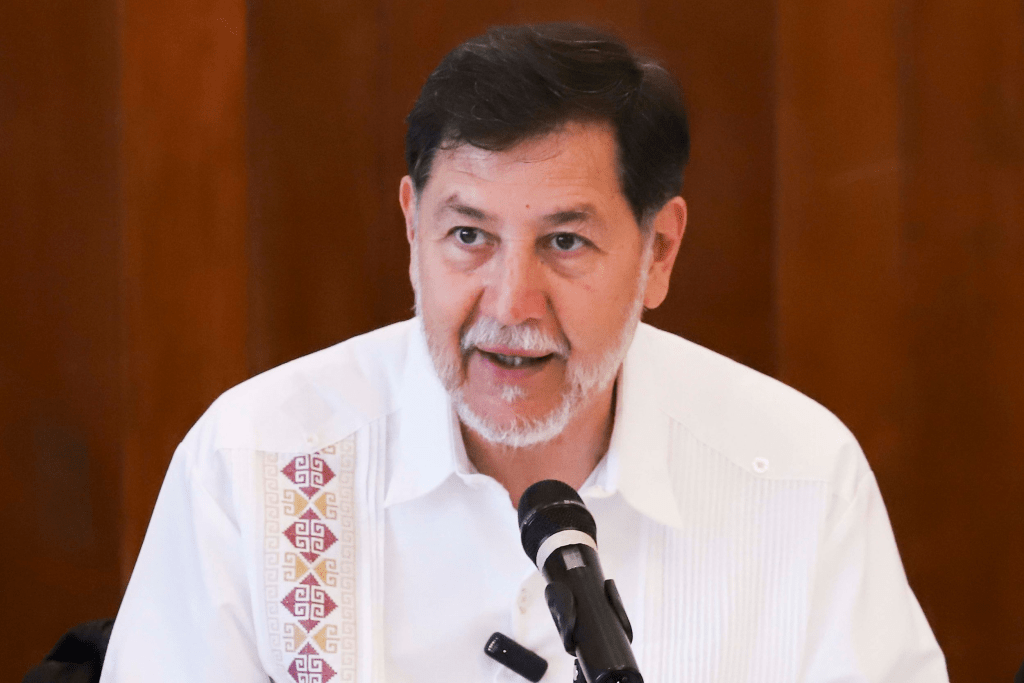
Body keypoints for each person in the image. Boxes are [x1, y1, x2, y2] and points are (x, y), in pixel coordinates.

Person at [99, 23, 947, 683]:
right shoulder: (255, 464)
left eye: (565, 241)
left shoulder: (797, 478)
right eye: (469, 236)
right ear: (412, 228)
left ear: (658, 251)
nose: (510, 305)